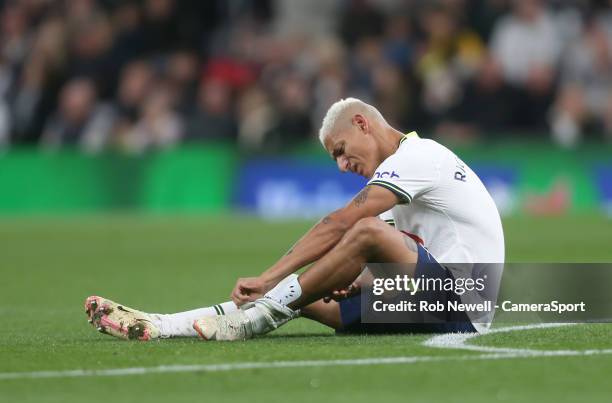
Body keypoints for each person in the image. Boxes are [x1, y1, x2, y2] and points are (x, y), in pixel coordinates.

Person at [84, 97, 504, 341]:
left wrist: (268, 277)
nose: (342, 165)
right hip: (435, 298)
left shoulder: (419, 156)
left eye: (341, 149)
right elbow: (396, 256)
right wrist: (352, 281)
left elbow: (344, 227)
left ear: (362, 123)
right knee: (317, 299)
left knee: (361, 233)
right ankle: (162, 325)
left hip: (466, 300)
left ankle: (256, 318)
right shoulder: (401, 178)